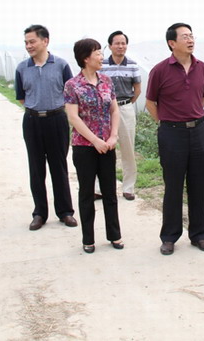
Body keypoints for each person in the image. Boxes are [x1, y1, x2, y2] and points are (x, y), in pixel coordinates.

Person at [146, 23, 204, 255]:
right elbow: (150, 103)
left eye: (191, 36)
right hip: (171, 133)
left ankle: (199, 235)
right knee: (173, 186)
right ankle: (169, 237)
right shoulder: (159, 70)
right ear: (172, 43)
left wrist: (191, 116)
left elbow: (203, 97)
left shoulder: (202, 68)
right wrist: (166, 122)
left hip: (199, 131)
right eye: (185, 37)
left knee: (199, 185)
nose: (190, 40)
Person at [15, 24, 78, 231]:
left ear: (45, 41)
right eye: (26, 42)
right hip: (32, 121)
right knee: (36, 168)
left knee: (59, 167)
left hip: (56, 120)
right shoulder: (22, 68)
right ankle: (39, 213)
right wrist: (37, 108)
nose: (28, 46)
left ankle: (65, 212)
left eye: (32, 41)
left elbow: (70, 94)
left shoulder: (61, 65)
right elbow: (22, 97)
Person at [64, 38, 123, 253]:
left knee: (110, 192)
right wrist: (95, 140)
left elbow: (114, 110)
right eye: (97, 53)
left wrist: (113, 136)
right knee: (87, 193)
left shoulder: (106, 81)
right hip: (84, 147)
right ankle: (88, 239)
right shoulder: (72, 85)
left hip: (108, 145)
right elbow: (73, 117)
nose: (101, 56)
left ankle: (114, 235)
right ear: (85, 58)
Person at [97, 30, 141, 201]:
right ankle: (100, 188)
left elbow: (137, 90)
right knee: (102, 148)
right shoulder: (101, 65)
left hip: (125, 108)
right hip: (104, 111)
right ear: (110, 46)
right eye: (117, 43)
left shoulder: (132, 65)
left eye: (123, 43)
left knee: (128, 148)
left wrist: (125, 103)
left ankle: (128, 187)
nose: (121, 46)